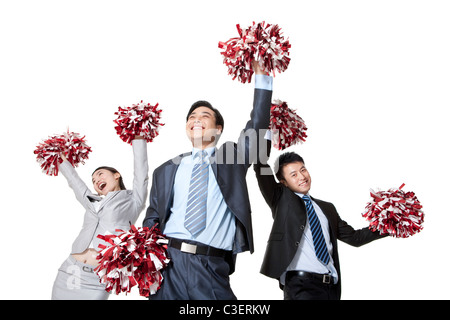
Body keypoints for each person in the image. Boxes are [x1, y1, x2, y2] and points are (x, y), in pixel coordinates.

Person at [142, 62, 273, 300]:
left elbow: (256, 128)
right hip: (168, 266)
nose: (196, 119)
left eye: (205, 115)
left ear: (218, 128)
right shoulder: (165, 170)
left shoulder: (231, 158)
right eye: (192, 117)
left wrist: (262, 77)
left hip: (211, 265)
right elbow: (152, 218)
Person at [253, 142, 387, 300]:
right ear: (284, 182)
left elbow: (355, 238)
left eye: (303, 170)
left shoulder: (327, 208)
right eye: (294, 174)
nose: (302, 177)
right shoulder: (281, 200)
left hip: (330, 288)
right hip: (301, 286)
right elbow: (260, 164)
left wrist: (390, 225)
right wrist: (268, 130)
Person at [51, 136, 148, 300]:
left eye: (100, 175)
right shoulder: (92, 201)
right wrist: (58, 156)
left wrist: (138, 138)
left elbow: (141, 172)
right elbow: (74, 182)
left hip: (99, 277)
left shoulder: (133, 200)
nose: (97, 181)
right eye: (94, 181)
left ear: (116, 175)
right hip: (71, 270)